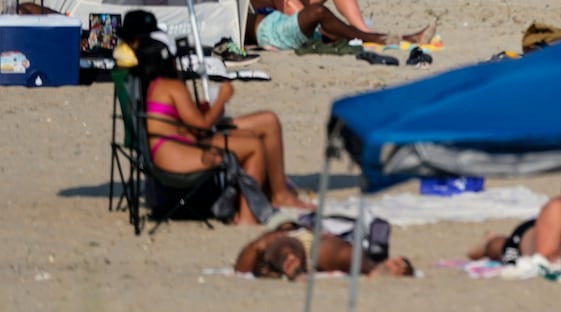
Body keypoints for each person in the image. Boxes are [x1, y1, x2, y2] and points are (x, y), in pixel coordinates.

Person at [132, 36, 311, 224]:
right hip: (177, 154)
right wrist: (222, 98)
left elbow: (182, 122)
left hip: (169, 149)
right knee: (253, 146)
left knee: (251, 134)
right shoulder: (171, 86)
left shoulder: (153, 86)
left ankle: (264, 200)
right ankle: (247, 216)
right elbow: (202, 126)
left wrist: (202, 109)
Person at [235, 223, 414, 280]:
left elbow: (241, 268)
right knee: (331, 250)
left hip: (294, 239)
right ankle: (373, 268)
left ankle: (290, 262)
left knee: (271, 244)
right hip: (299, 239)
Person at [246, 3, 434, 52]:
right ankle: (379, 38)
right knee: (319, 12)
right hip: (271, 33)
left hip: (277, 23)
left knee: (338, 32)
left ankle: (404, 38)